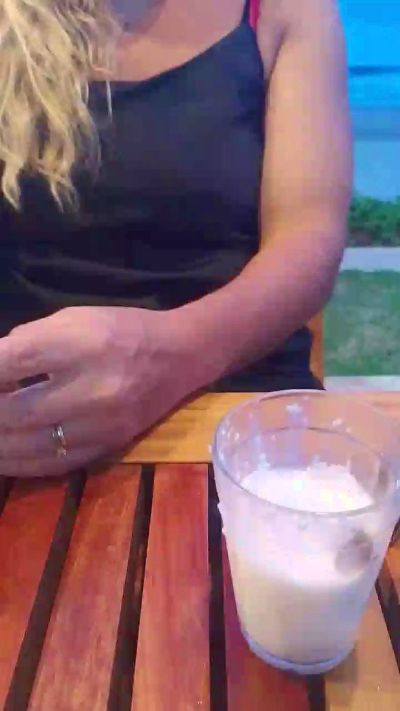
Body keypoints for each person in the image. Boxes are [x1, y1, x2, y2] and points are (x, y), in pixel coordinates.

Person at [0, 0, 352, 476]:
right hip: (22, 425)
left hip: (243, 412)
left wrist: (172, 356)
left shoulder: (284, 11)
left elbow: (308, 235)